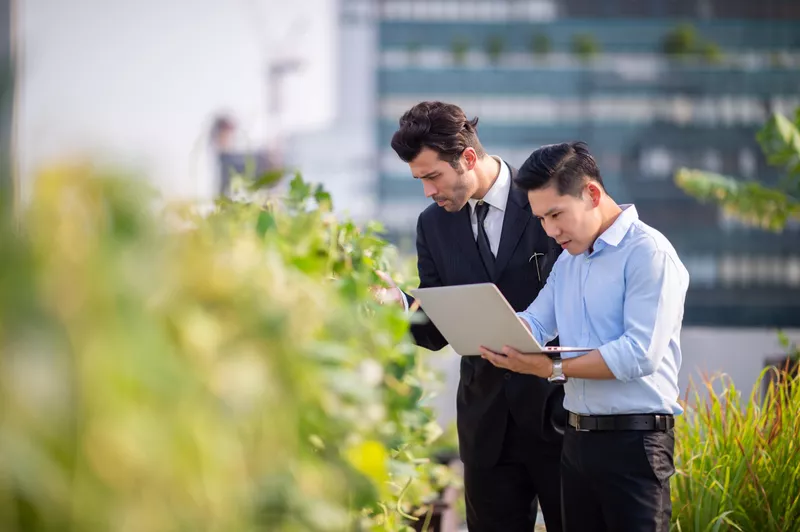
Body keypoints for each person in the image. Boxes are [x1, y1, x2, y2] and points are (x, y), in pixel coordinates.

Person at [480, 141, 689, 532]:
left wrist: (550, 367)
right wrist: (493, 328)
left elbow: (638, 354)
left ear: (592, 193)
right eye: (542, 218)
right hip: (575, 442)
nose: (550, 230)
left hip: (636, 444)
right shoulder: (569, 262)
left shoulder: (649, 253)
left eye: (556, 214)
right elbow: (536, 322)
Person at [376, 101, 565, 532]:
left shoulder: (546, 203)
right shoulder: (432, 226)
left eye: (432, 176)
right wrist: (400, 305)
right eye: (419, 179)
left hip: (557, 416)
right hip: (486, 429)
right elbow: (437, 329)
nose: (427, 191)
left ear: (466, 158)